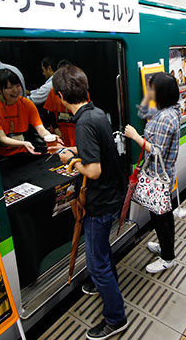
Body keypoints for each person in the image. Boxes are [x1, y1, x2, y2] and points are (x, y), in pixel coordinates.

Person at [54, 65, 128, 340]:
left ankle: (116, 319)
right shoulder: (96, 113)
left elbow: (93, 170)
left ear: (61, 95)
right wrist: (75, 149)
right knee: (102, 251)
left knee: (96, 261)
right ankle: (105, 285)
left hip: (99, 202)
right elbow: (100, 148)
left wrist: (71, 160)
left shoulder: (82, 122)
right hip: (113, 195)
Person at [124, 72, 181, 274]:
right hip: (162, 174)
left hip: (158, 177)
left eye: (152, 89)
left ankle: (167, 258)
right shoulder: (170, 110)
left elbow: (157, 150)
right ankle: (167, 247)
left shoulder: (165, 117)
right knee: (164, 214)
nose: (150, 93)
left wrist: (134, 137)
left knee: (161, 216)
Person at [0, 69, 59, 157]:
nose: (15, 91)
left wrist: (50, 137)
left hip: (25, 152)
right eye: (9, 88)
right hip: (1, 156)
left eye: (17, 86)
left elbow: (40, 129)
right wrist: (24, 143)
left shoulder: (26, 103)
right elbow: (1, 138)